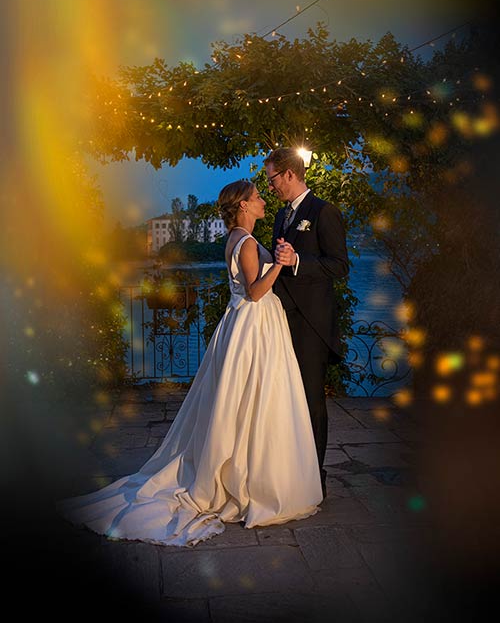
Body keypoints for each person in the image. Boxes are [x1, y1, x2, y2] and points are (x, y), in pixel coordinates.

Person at [56, 180, 323, 547]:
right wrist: (278, 264)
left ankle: (250, 469)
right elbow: (256, 291)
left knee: (246, 399)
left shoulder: (239, 237)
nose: (263, 201)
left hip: (248, 324)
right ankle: (246, 481)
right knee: (254, 397)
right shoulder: (244, 242)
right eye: (258, 197)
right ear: (243, 205)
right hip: (254, 324)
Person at [264, 148, 349, 499]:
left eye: (271, 179)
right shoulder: (281, 216)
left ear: (288, 174)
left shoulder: (324, 212)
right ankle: (292, 472)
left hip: (311, 324)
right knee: (286, 400)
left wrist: (298, 259)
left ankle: (315, 477)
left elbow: (340, 266)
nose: (270, 187)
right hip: (281, 322)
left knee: (312, 401)